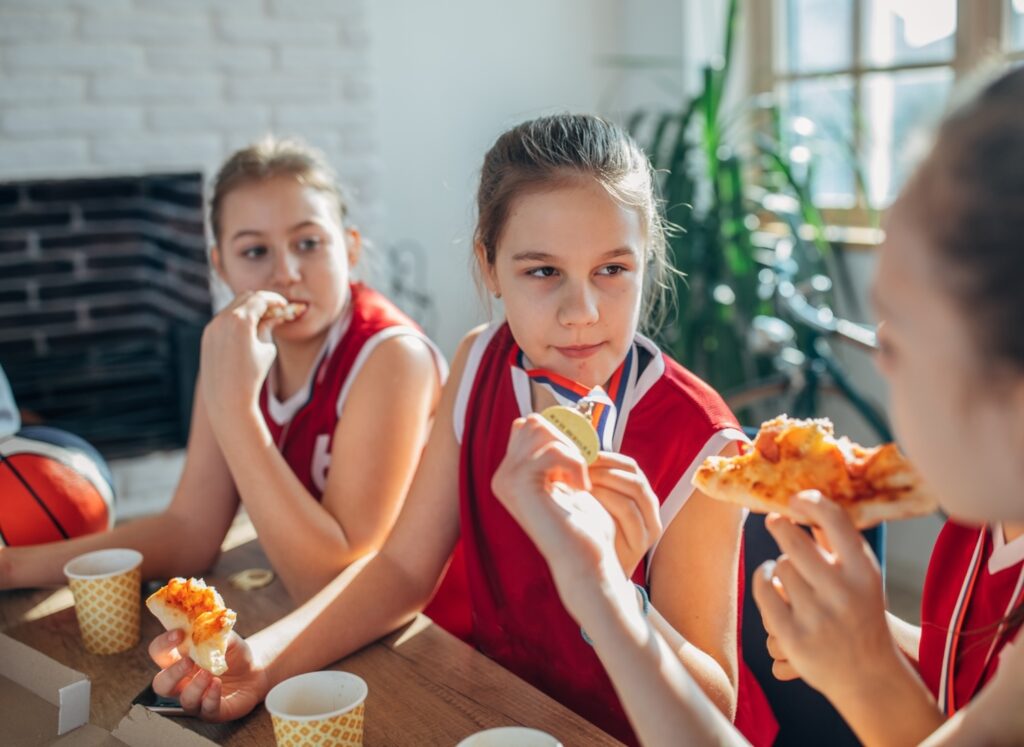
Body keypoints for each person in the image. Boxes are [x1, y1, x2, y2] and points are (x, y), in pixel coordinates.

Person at [146, 114, 776, 746]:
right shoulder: (479, 362)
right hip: (507, 714)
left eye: (613, 269)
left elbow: (716, 708)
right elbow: (398, 570)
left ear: (646, 260)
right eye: (543, 271)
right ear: (490, 266)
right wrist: (262, 661)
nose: (582, 313)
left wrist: (616, 596)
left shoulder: (704, 442)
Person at [490, 67, 1024, 746]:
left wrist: (865, 674)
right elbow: (977, 679)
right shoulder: (990, 518)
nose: (879, 350)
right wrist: (870, 636)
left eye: (899, 322)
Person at [0, 136, 446, 605]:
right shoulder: (232, 346)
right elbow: (190, 531)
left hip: (434, 634)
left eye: (309, 243)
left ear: (350, 248)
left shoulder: (392, 356)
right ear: (220, 266)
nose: (287, 272)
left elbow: (332, 585)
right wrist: (12, 567)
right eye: (255, 251)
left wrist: (235, 408)